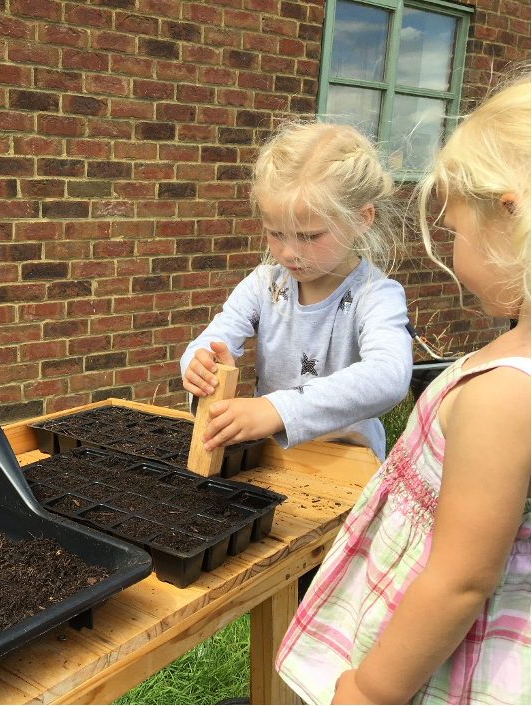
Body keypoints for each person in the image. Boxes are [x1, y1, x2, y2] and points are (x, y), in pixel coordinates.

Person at [276, 74, 531, 704]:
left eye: (453, 230)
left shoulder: (505, 395)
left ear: (509, 214)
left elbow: (460, 580)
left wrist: (372, 688)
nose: (449, 244)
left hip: (433, 664)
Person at [180, 122, 412, 461]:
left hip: (348, 467)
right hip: (269, 459)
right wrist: (199, 365)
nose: (289, 253)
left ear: (362, 218)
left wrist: (277, 409)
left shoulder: (376, 296)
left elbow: (389, 376)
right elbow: (212, 340)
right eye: (276, 234)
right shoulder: (264, 286)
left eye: (309, 236)